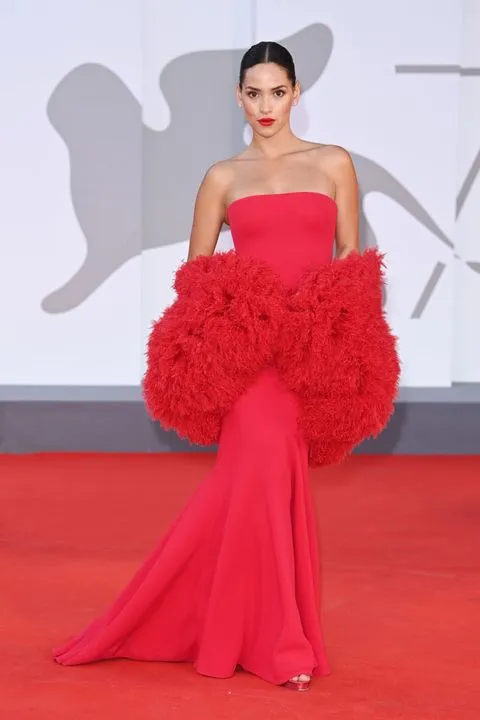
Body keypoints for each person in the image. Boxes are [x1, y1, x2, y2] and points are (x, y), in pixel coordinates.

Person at [53, 41, 399, 692]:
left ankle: (226, 625)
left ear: (296, 94)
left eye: (277, 91)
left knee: (263, 486)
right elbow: (200, 277)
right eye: (253, 92)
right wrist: (229, 336)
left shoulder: (333, 164)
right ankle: (281, 643)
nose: (265, 105)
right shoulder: (222, 177)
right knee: (259, 481)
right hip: (251, 361)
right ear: (238, 97)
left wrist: (338, 344)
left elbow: (352, 259)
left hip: (307, 354)